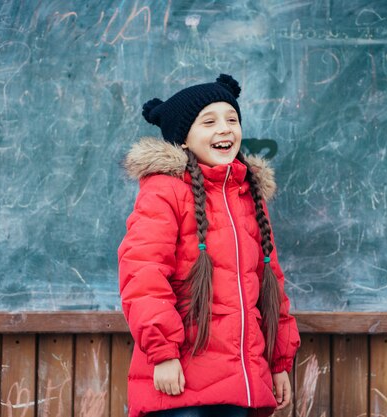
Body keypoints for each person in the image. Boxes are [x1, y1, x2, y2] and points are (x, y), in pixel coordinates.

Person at [118, 74, 300, 417]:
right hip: (180, 381)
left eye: (232, 119)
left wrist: (278, 361)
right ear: (183, 140)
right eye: (210, 121)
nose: (225, 129)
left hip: (240, 382)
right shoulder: (164, 191)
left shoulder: (249, 197)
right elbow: (142, 275)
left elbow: (271, 284)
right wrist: (164, 354)